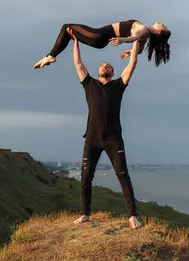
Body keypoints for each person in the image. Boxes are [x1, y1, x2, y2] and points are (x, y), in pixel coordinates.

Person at [67, 27, 142, 229]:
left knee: (122, 175)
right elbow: (78, 63)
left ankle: (132, 216)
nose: (105, 66)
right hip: (91, 138)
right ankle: (85, 214)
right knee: (85, 177)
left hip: (113, 138)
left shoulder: (119, 85)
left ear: (112, 72)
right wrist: (76, 41)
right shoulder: (89, 84)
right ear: (99, 72)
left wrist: (135, 40)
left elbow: (132, 63)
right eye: (102, 65)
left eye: (108, 65)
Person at [32, 19, 171, 69]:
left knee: (66, 27)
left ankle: (51, 56)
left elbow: (133, 37)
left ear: (159, 32)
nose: (162, 23)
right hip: (100, 39)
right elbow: (139, 51)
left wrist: (123, 40)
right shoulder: (145, 36)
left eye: (163, 27)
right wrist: (130, 52)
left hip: (99, 36)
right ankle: (51, 56)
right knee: (69, 33)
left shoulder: (143, 30)